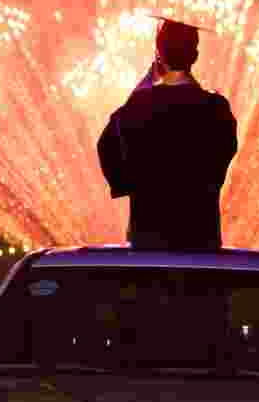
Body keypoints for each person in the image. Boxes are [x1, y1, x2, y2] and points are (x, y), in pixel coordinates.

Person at [97, 17, 238, 250]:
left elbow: (107, 147)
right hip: (201, 240)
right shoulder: (216, 109)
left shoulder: (138, 106)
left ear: (159, 54)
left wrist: (129, 183)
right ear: (195, 55)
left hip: (147, 240)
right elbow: (224, 154)